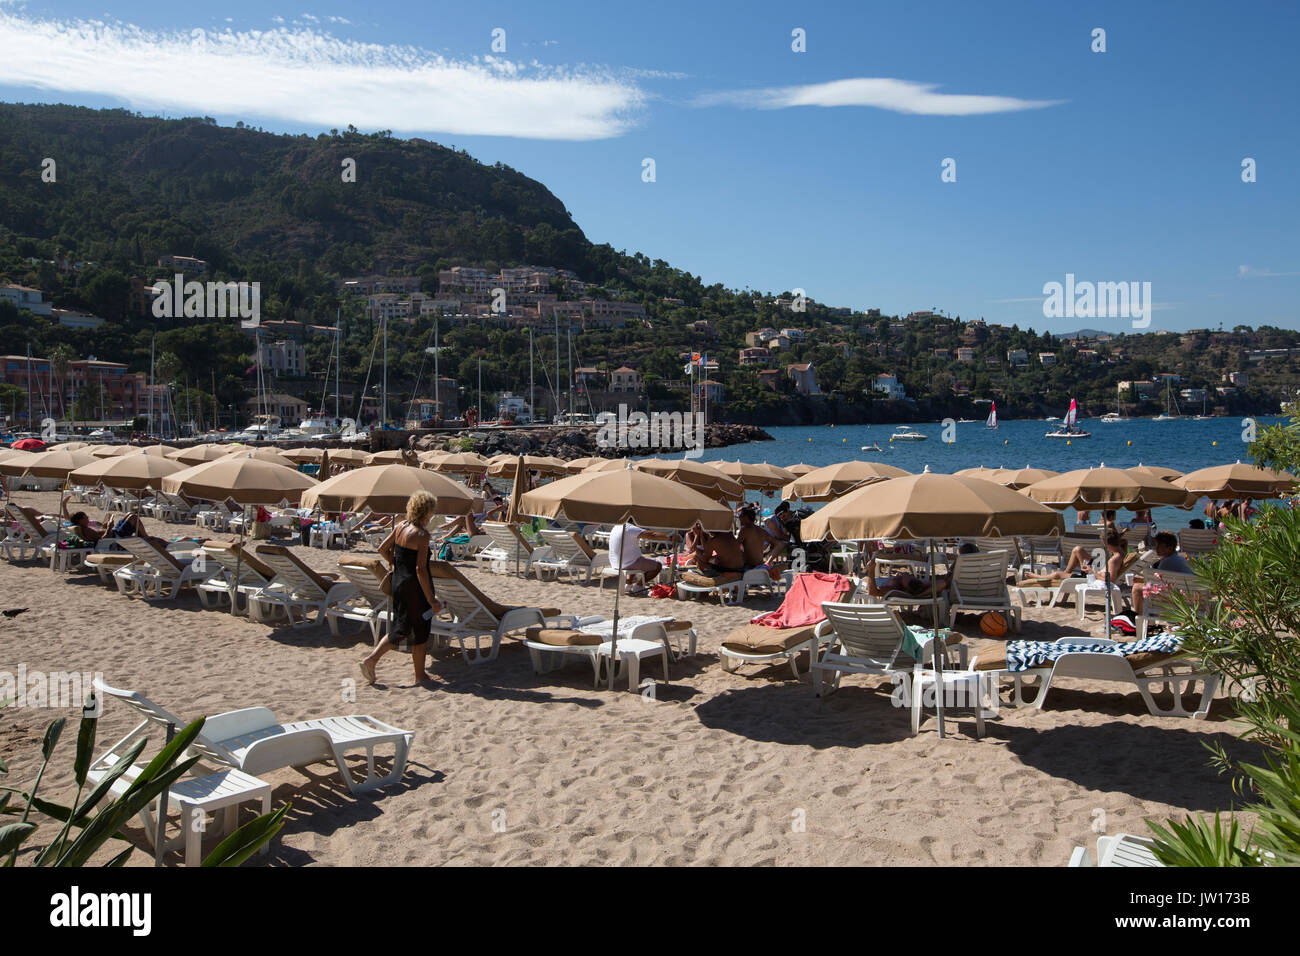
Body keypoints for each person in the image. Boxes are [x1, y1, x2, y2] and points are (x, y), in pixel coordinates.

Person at [359, 491, 444, 686]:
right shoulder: (422, 535)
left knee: (401, 627)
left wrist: (395, 563)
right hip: (415, 588)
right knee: (421, 629)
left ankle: (372, 660)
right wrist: (431, 599)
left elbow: (382, 548)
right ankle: (419, 675)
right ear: (427, 511)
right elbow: (420, 569)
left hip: (399, 583)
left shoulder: (401, 527)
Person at [1130, 533, 1194, 617]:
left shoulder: (1167, 561)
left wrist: (1139, 581)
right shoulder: (1180, 559)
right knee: (1140, 584)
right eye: (1156, 546)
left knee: (1137, 588)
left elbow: (1157, 584)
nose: (1156, 548)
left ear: (1170, 548)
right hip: (1188, 598)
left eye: (1159, 546)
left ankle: (1137, 620)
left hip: (1176, 601)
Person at [1038, 532, 1125, 583]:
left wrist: (1091, 571)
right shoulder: (1121, 552)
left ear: (1107, 544)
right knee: (1078, 550)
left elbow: (1111, 581)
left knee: (1057, 574)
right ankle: (1066, 573)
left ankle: (1036, 577)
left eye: (1104, 544)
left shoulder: (1113, 560)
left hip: (1091, 578)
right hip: (1095, 573)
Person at [61, 493, 145, 541]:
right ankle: (145, 538)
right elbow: (104, 540)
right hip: (116, 536)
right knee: (133, 517)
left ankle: (143, 537)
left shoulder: (84, 528)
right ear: (80, 520)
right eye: (86, 517)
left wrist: (104, 527)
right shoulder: (86, 531)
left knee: (129, 514)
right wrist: (109, 527)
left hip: (114, 532)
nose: (88, 518)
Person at [608, 520, 663, 592]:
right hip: (626, 563)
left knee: (635, 558)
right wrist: (670, 538)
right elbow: (652, 535)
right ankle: (638, 586)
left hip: (615, 562)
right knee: (658, 566)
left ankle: (628, 584)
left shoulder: (616, 527)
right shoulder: (630, 528)